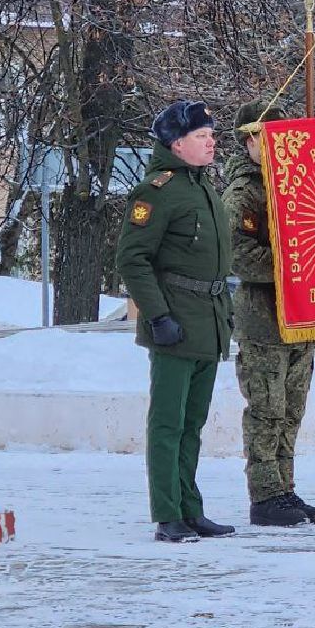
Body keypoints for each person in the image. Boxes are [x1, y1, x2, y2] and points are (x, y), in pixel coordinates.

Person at [115, 100, 234, 542]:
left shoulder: (202, 186)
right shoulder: (156, 191)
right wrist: (159, 316)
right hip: (176, 322)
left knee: (193, 423)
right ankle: (168, 513)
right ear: (177, 144)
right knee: (168, 423)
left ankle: (190, 508)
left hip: (208, 320)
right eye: (202, 136)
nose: (211, 142)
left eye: (211, 135)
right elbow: (133, 258)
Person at [223, 100, 315, 527]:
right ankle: (265, 494)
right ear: (250, 140)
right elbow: (237, 255)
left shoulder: (296, 182)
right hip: (263, 317)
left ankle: (285, 487)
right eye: (268, 139)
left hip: (300, 317)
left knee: (292, 410)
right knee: (267, 408)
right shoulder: (244, 192)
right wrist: (293, 263)